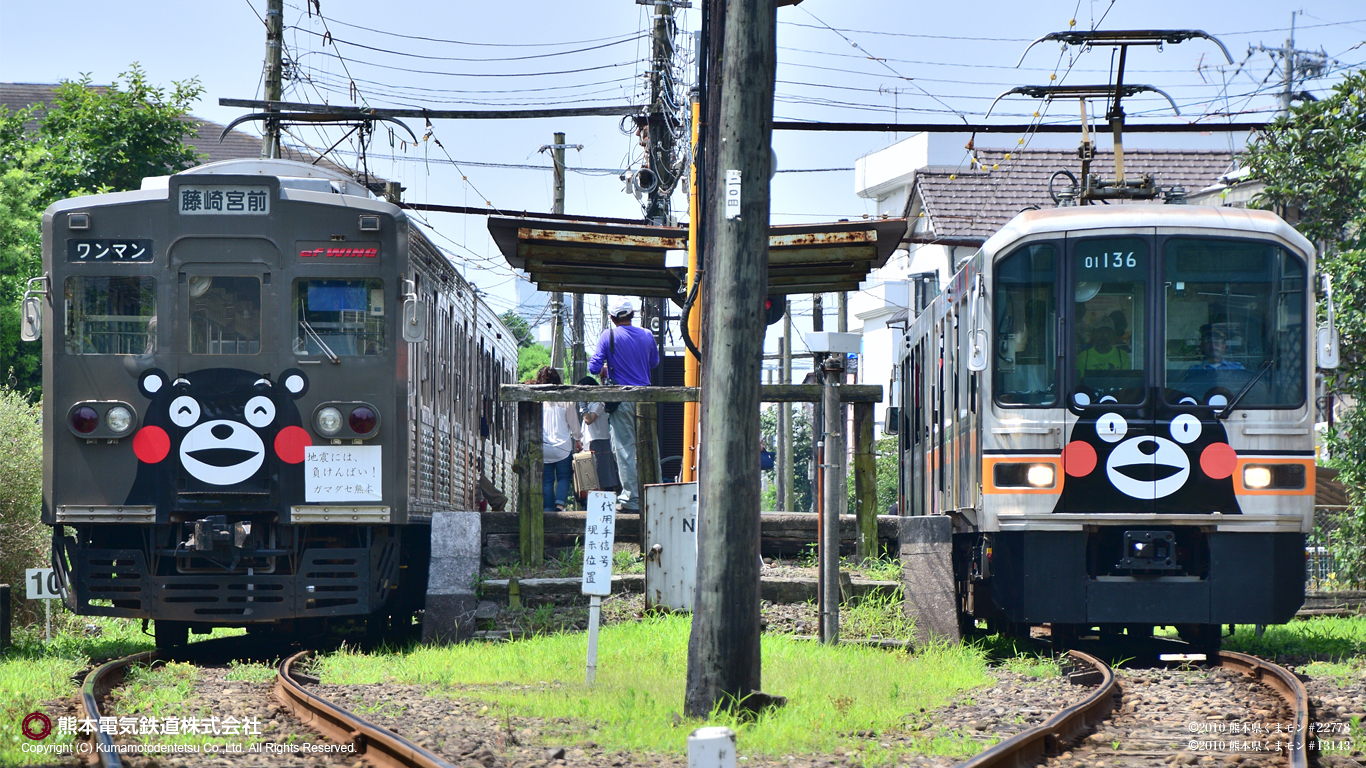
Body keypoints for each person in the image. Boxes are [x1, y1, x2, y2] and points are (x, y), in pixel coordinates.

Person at [587, 297, 660, 513]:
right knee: (649, 447)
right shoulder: (647, 334)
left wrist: (608, 368)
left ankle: (632, 500)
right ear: (633, 315)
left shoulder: (608, 335)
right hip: (646, 398)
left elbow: (593, 367)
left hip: (622, 399)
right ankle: (655, 495)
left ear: (611, 317)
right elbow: (654, 362)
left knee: (626, 450)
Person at [534, 366, 581, 512]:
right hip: (563, 448)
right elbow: (574, 423)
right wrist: (578, 439)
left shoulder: (537, 400)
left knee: (547, 480)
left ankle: (547, 509)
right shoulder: (565, 399)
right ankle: (560, 506)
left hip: (544, 447)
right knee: (564, 477)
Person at [577, 376, 620, 493]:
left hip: (599, 441)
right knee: (590, 477)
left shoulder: (599, 403)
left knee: (600, 476)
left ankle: (601, 499)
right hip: (590, 442)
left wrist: (582, 407)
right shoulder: (591, 404)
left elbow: (589, 420)